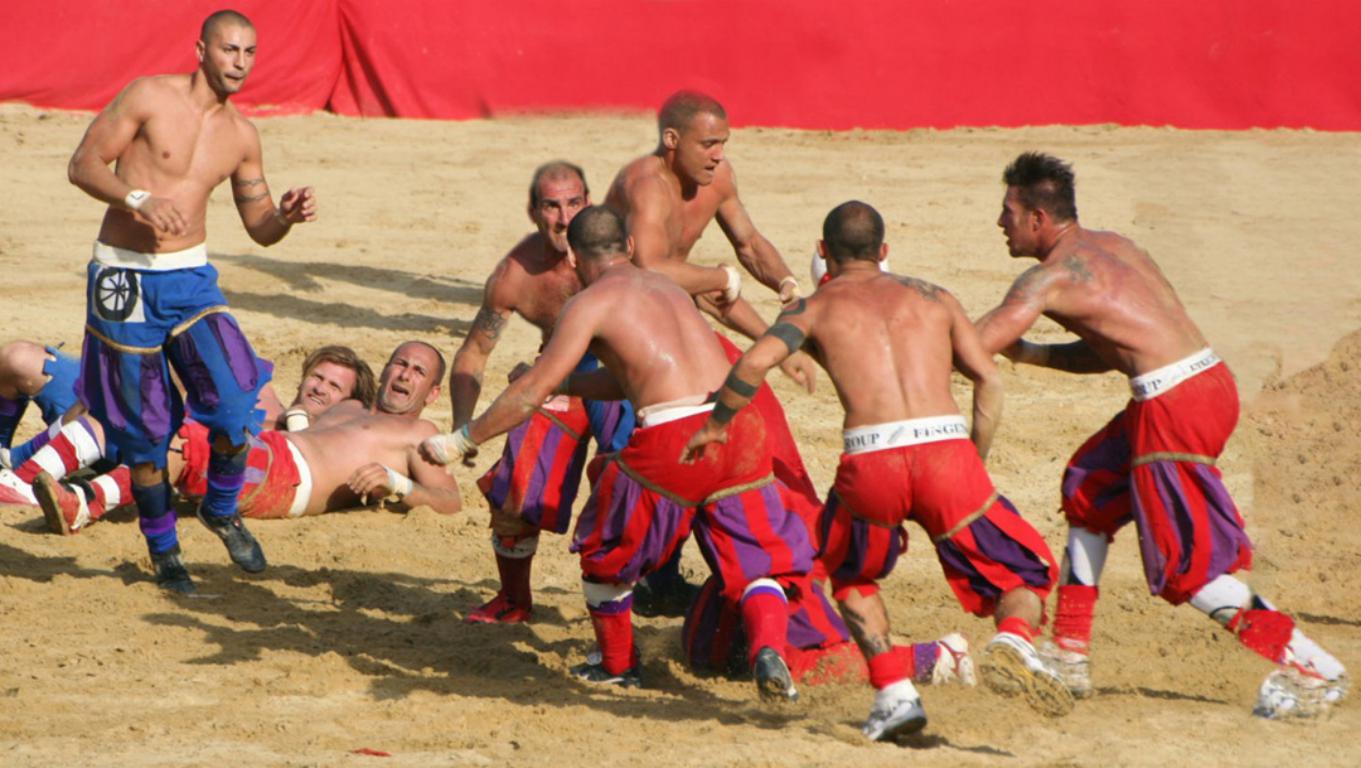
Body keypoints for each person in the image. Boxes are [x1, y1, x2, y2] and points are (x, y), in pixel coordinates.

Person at [973, 152, 1348, 719]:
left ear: (1037, 219)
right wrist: (1032, 354)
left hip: (1173, 406)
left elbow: (973, 346)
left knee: (1185, 568)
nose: (1000, 222)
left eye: (1008, 211)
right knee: (1089, 486)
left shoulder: (1048, 278)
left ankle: (1314, 667)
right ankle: (1070, 650)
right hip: (1204, 384)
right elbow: (1118, 349)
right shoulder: (1116, 248)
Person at [683, 201, 1070, 741]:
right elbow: (988, 380)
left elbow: (752, 364)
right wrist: (972, 460)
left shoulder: (814, 308)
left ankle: (893, 691)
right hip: (946, 452)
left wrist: (716, 425)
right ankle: (1014, 638)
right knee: (1021, 571)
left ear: (824, 252)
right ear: (884, 252)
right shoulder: (936, 297)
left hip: (872, 459)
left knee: (847, 573)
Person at [424, 206, 812, 704]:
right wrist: (570, 383)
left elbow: (530, 393)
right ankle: (767, 648)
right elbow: (631, 376)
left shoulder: (588, 304)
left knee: (604, 551)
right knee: (755, 558)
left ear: (573, 257)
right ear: (628, 247)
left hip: (674, 436)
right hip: (738, 425)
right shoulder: (669, 288)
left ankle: (617, 664)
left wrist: (462, 440)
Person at [66, 10, 318, 589]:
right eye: (230, 50)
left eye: (250, 53)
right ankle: (164, 550)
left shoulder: (242, 136)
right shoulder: (148, 96)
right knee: (145, 434)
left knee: (234, 404)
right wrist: (139, 199)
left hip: (190, 279)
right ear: (201, 50)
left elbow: (260, 227)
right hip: (124, 278)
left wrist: (285, 216)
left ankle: (221, 510)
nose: (240, 63)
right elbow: (82, 165)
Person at [606, 90, 823, 605]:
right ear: (671, 140)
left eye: (723, 142)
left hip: (670, 323)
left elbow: (748, 245)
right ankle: (632, 577)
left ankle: (685, 575)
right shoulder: (646, 185)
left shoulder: (718, 178)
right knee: (627, 451)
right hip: (613, 330)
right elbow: (650, 269)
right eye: (708, 144)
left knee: (718, 434)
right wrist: (720, 277)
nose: (718, 154)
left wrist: (787, 296)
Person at [34, 342, 459, 594]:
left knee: (187, 443)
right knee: (165, 421)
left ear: (433, 393)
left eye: (418, 371)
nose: (405, 374)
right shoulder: (350, 406)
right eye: (400, 363)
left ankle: (83, 503)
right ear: (385, 370)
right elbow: (298, 421)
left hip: (290, 479)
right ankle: (41, 471)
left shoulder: (419, 432)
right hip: (271, 453)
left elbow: (450, 500)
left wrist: (397, 483)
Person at [448, 162, 633, 624]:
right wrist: (462, 426)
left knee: (631, 478)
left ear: (588, 203)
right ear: (533, 212)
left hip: (621, 375)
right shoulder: (515, 274)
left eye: (573, 203)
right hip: (558, 377)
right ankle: (514, 599)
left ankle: (658, 586)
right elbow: (474, 353)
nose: (564, 218)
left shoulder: (620, 248)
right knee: (516, 483)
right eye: (552, 206)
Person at [21, 345, 376, 539]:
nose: (320, 388)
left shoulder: (281, 452)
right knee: (21, 359)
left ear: (345, 407)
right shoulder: (261, 390)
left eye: (334, 387)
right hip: (101, 421)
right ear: (302, 378)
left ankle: (25, 476)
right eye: (317, 377)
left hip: (134, 445)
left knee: (162, 426)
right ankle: (21, 462)